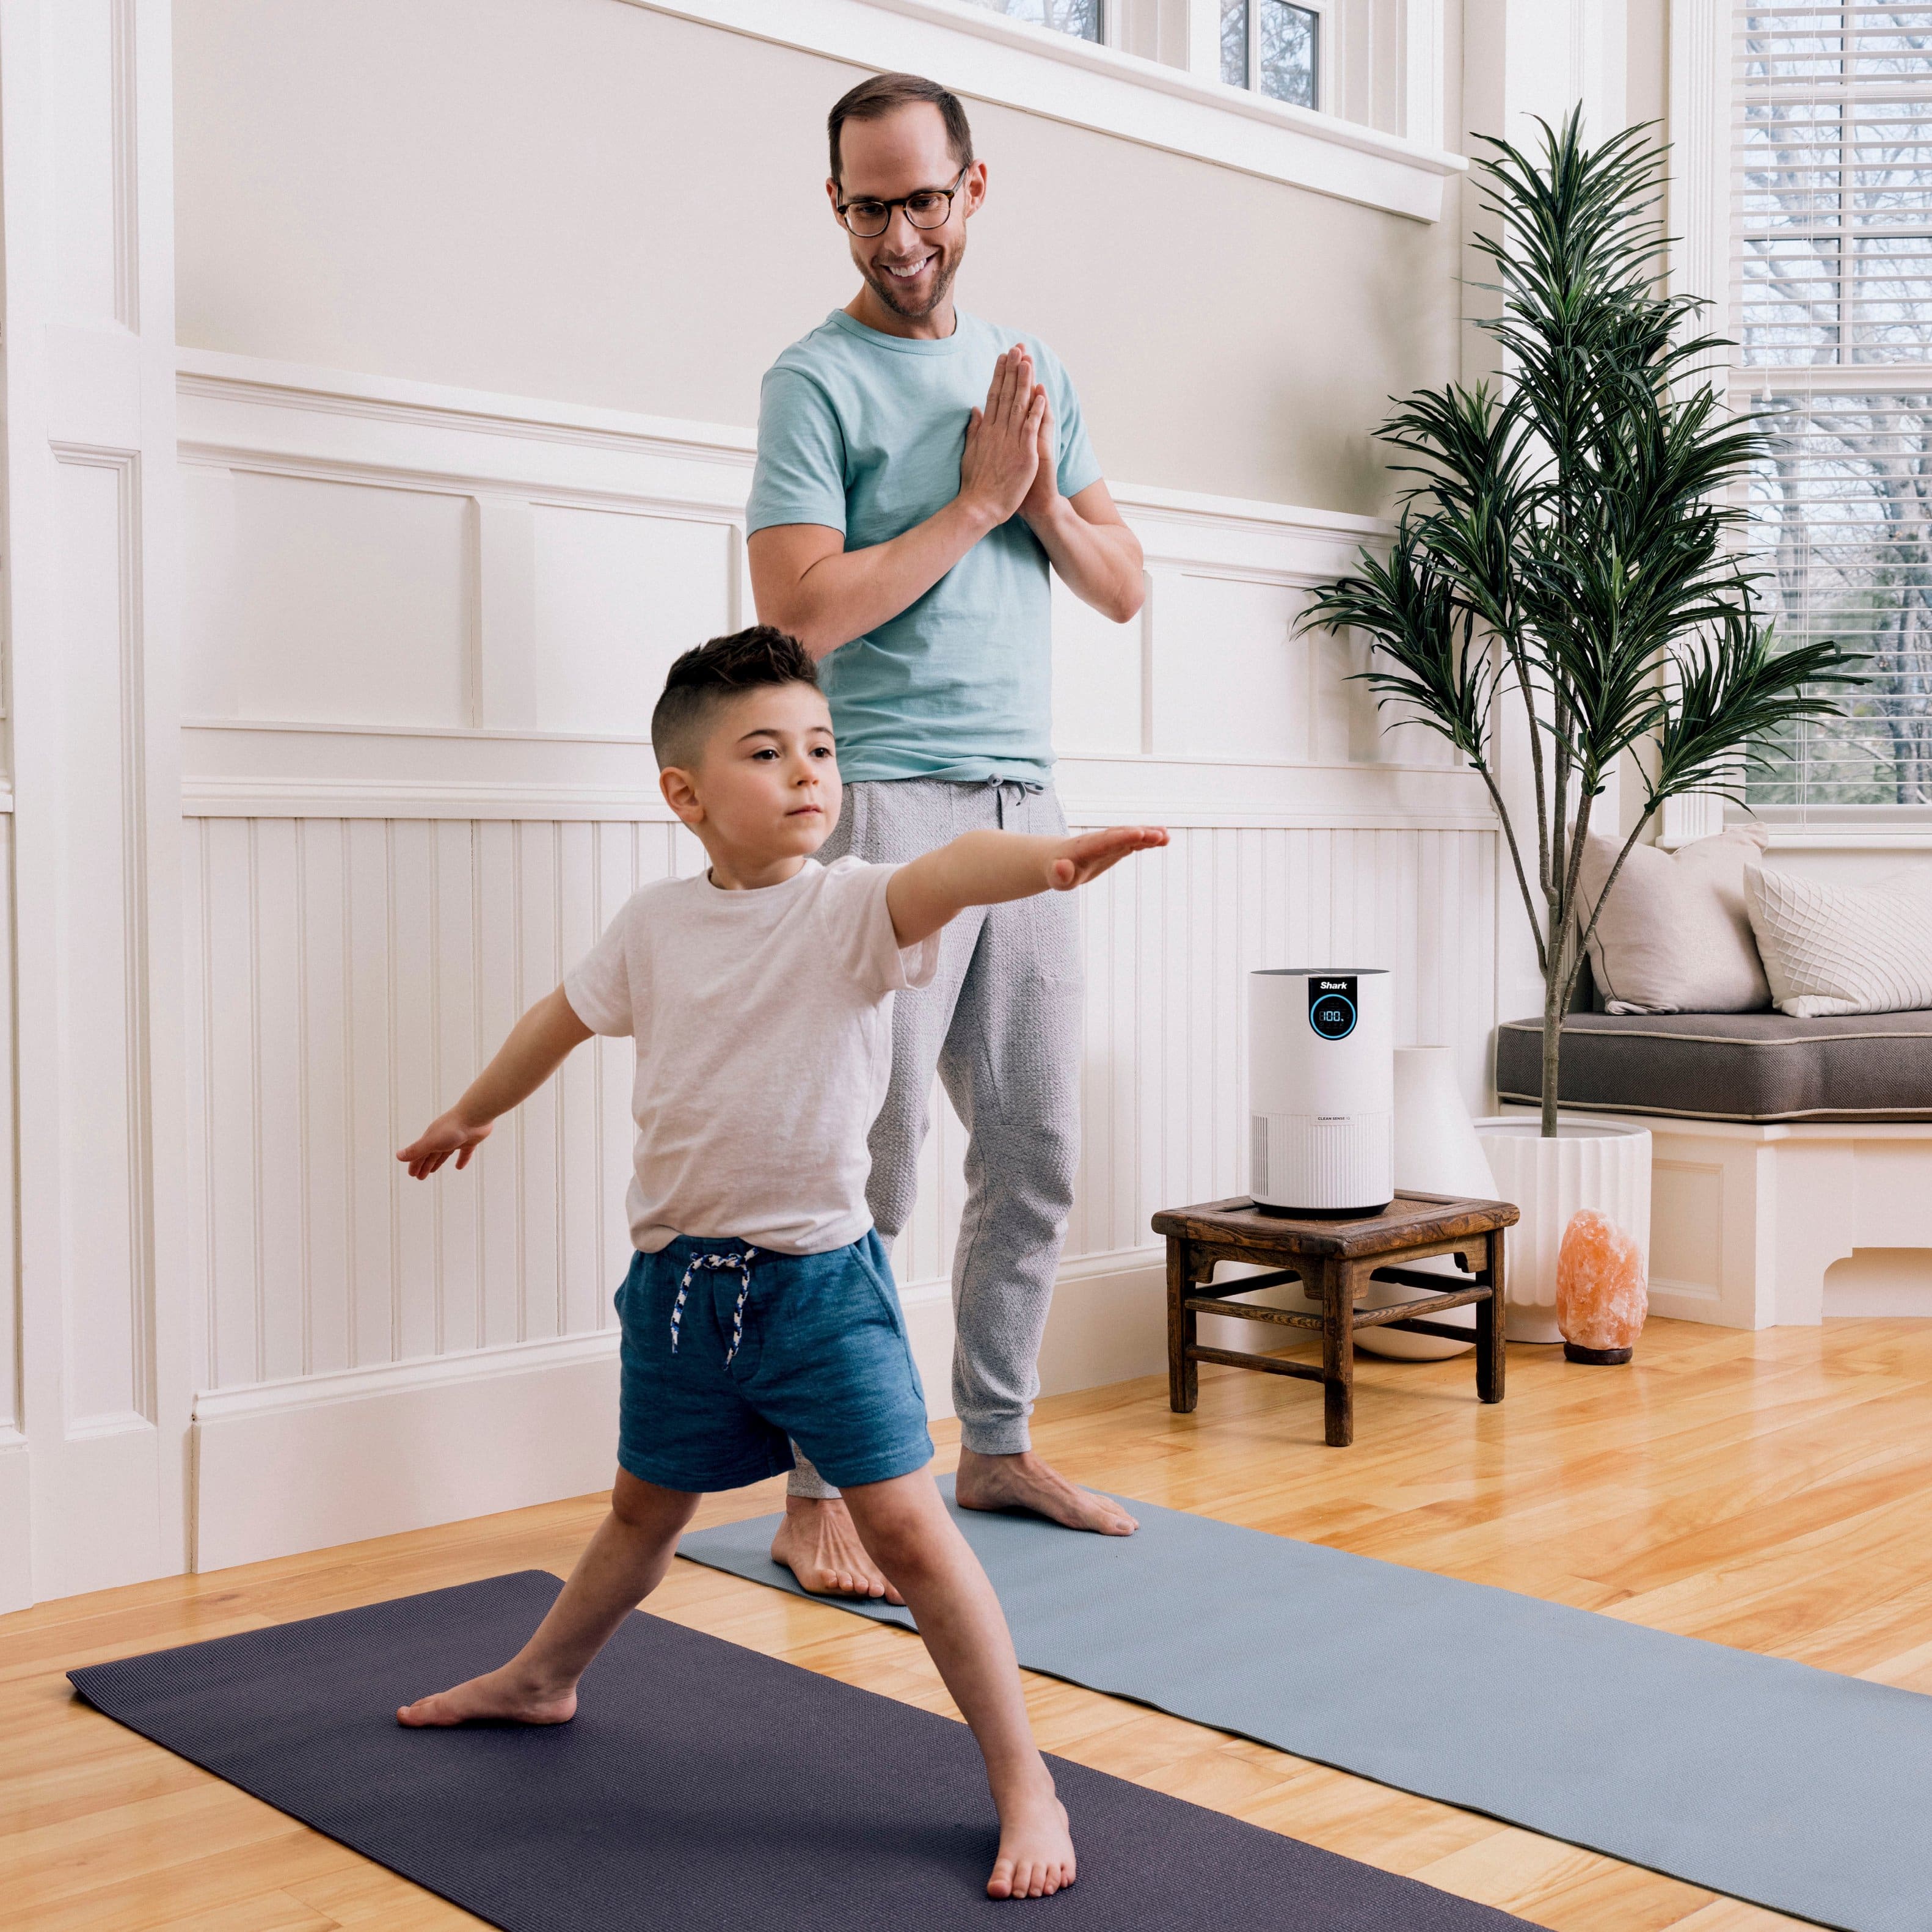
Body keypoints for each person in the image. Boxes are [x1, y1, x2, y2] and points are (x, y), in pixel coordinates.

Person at [392, 627, 1164, 1900]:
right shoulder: (654, 924)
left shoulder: (853, 907)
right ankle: (541, 1677)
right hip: (681, 1291)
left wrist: (1045, 860)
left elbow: (956, 867)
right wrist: (474, 1108)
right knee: (645, 1511)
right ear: (683, 793)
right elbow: (563, 1016)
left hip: (820, 1293)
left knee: (911, 1533)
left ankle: (1025, 1775)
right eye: (767, 751)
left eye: (821, 747)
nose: (808, 772)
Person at [748, 71, 1147, 1605]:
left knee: (1035, 1141)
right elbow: (798, 608)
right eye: (868, 206)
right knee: (879, 1154)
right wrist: (979, 504)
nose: (898, 234)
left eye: (922, 199)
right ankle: (816, 1484)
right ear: (836, 206)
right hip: (886, 804)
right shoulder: (814, 382)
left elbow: (1123, 584)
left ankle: (994, 1441)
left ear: (975, 191)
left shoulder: (1031, 370)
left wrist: (1036, 496)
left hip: (1023, 800)